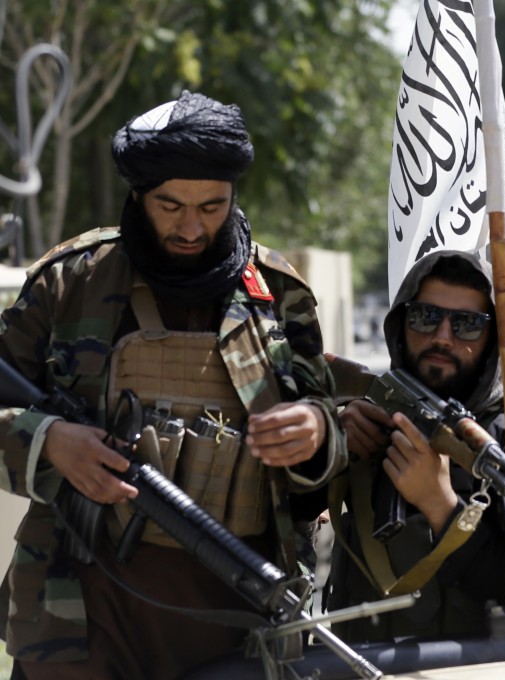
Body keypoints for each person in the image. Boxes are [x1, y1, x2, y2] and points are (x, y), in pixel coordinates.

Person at [0, 91, 345, 679]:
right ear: (138, 196)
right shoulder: (69, 282)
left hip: (237, 619)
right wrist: (49, 440)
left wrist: (314, 434)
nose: (191, 227)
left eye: (212, 206)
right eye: (170, 205)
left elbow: (327, 447)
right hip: (80, 617)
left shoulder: (279, 296)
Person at [322, 250, 505, 641]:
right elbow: (288, 510)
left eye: (467, 325)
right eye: (425, 317)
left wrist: (442, 506)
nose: (442, 337)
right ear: (401, 324)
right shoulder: (369, 421)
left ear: (493, 341)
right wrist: (330, 436)